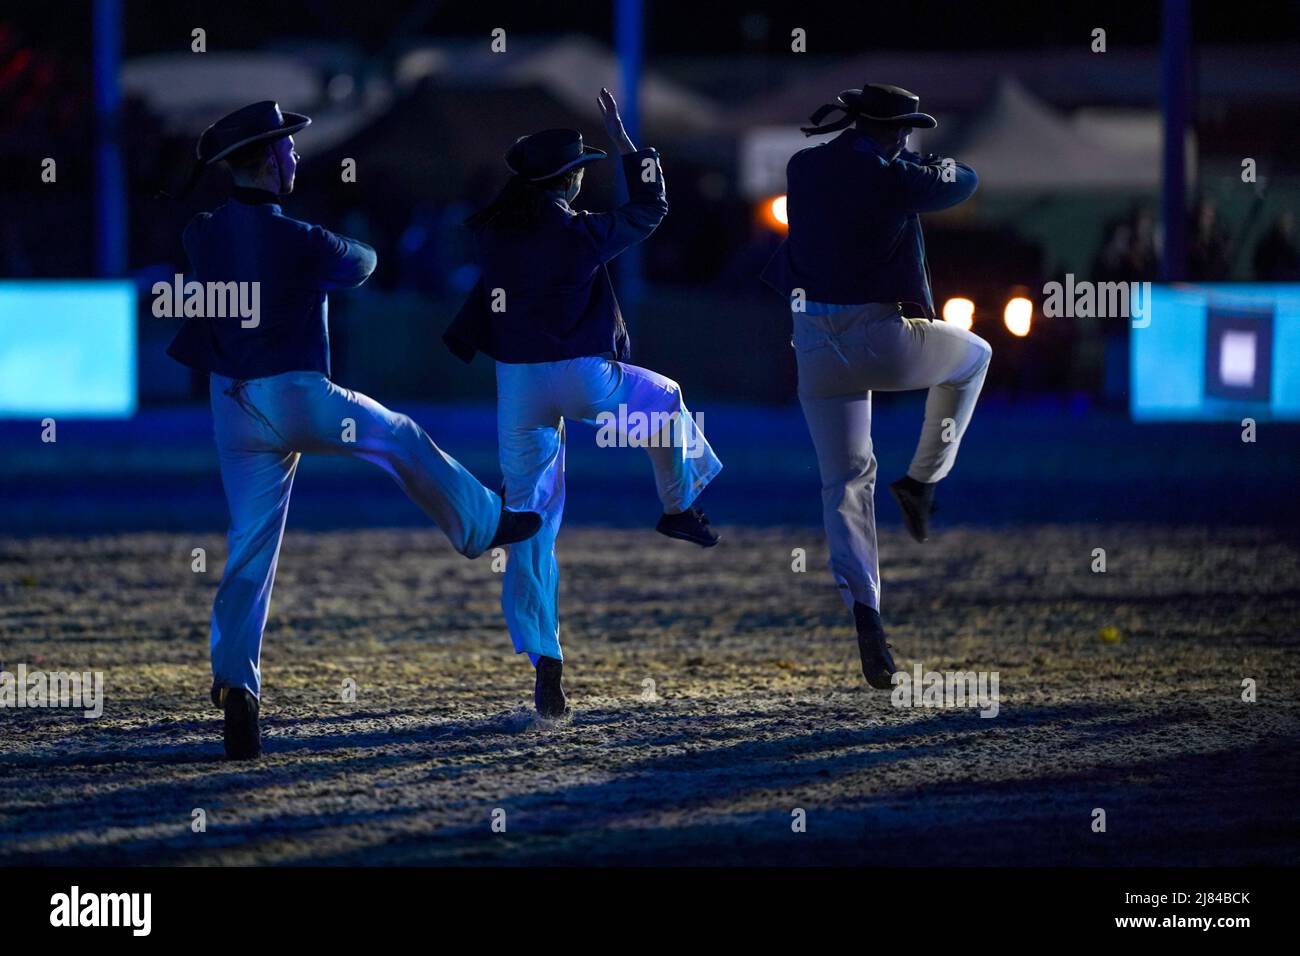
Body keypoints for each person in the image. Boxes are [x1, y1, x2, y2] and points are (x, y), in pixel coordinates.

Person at [165, 101, 542, 759]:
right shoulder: (301, 239)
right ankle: (482, 524)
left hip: (230, 402)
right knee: (399, 437)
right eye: (286, 148)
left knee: (249, 545)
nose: (295, 156)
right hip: (297, 394)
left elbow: (216, 236)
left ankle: (238, 688)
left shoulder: (202, 231)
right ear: (264, 159)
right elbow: (363, 264)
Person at [445, 89, 722, 718]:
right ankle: (679, 506)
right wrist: (626, 142)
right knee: (667, 401)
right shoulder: (576, 233)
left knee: (530, 522)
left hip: (516, 384)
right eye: (579, 171)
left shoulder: (498, 235)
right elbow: (653, 206)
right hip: (580, 375)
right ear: (565, 180)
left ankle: (547, 663)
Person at [760, 83, 991, 689]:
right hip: (877, 336)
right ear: (892, 132)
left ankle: (867, 616)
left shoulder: (804, 165)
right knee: (974, 358)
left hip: (811, 343)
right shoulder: (895, 175)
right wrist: (910, 161)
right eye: (906, 130)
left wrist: (893, 153)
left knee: (844, 484)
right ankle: (922, 480)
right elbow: (964, 180)